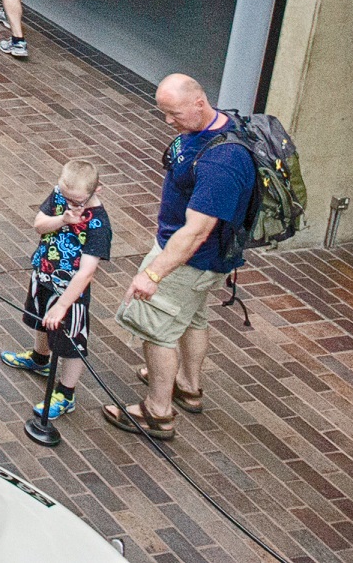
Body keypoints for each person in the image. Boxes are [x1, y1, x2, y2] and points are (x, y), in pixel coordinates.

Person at [109, 75, 257, 441]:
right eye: (164, 112)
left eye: (174, 113)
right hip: (202, 260)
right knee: (192, 318)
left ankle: (158, 412)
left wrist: (153, 275)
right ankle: (188, 386)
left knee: (156, 328)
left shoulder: (223, 162)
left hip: (189, 260)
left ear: (199, 103)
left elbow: (196, 231)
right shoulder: (211, 127)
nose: (168, 121)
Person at [0, 159, 112, 424]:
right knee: (41, 320)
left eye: (78, 201)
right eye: (66, 196)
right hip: (43, 274)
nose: (71, 204)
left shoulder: (99, 225)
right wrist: (62, 219)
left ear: (97, 189)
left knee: (71, 344)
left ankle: (66, 393)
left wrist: (63, 305)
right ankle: (40, 359)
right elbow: (39, 224)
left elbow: (86, 272)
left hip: (70, 293)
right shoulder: (60, 196)